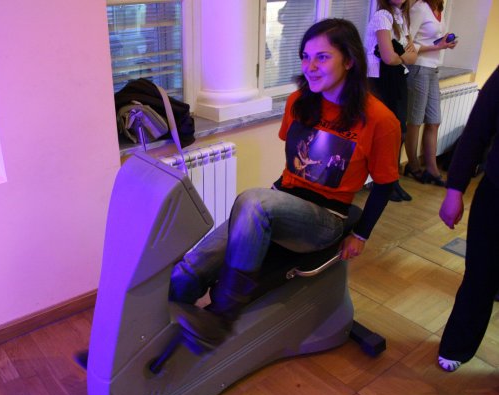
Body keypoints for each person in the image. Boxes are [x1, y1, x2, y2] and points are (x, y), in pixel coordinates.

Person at [168, 19, 401, 348]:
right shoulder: (298, 102)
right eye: (305, 56)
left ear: (349, 60)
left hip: (325, 218)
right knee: (190, 269)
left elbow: (385, 184)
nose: (310, 67)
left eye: (322, 57)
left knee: (255, 201)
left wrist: (361, 235)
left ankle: (223, 315)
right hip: (283, 201)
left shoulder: (379, 119)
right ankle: (156, 331)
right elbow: (295, 170)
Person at [437, 66, 499, 372]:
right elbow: (477, 129)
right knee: (480, 274)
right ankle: (458, 344)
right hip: (496, 194)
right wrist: (455, 189)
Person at [364, 0, 418, 202]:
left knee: (399, 132)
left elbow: (413, 56)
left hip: (396, 78)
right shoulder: (382, 16)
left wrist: (401, 54)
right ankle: (381, 182)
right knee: (386, 133)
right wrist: (404, 55)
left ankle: (392, 181)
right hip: (379, 80)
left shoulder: (401, 17)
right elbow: (388, 58)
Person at [404, 0, 457, 186]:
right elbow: (407, 44)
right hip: (418, 68)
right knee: (415, 121)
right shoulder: (420, 8)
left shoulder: (439, 8)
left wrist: (445, 42)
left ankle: (432, 168)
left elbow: (433, 39)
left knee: (434, 121)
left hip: (433, 69)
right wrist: (438, 46)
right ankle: (413, 166)